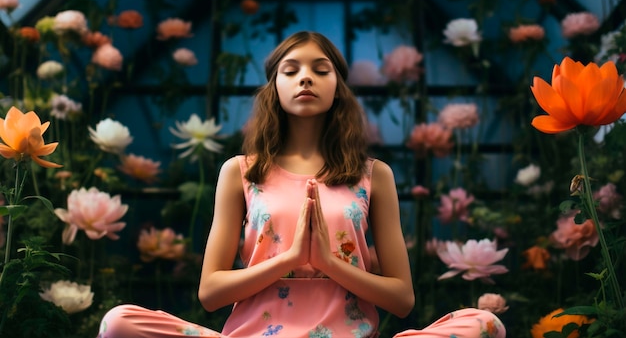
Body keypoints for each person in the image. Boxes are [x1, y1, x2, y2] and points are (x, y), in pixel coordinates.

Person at [97, 31, 506, 338]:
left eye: (319, 70)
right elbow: (210, 292)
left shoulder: (373, 174)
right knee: (119, 323)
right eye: (291, 71)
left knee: (484, 325)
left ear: (337, 86)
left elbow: (402, 300)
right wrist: (289, 258)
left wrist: (329, 263)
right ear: (274, 86)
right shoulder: (239, 171)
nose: (305, 79)